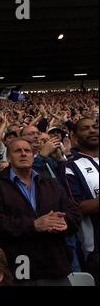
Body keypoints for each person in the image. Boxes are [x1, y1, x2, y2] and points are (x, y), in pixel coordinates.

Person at [0, 138, 81, 285]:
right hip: (20, 266)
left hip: (54, 265)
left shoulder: (50, 183)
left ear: (33, 155)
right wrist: (34, 225)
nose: (23, 154)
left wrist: (64, 223)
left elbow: (74, 214)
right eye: (18, 151)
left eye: (27, 151)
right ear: (9, 157)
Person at [65, 117, 99, 284]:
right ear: (75, 138)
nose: (92, 130)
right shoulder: (71, 167)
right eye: (85, 128)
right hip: (95, 250)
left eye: (95, 126)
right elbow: (77, 207)